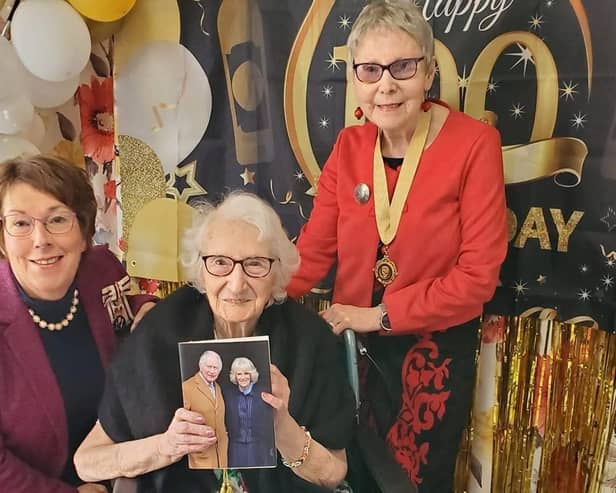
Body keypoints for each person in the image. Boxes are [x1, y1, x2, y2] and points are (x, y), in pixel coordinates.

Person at [286, 1, 508, 491]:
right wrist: (245, 287)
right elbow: (310, 255)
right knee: (349, 476)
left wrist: (378, 315)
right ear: (355, 79)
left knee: (409, 485)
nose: (385, 84)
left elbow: (477, 279)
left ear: (428, 71)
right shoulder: (348, 146)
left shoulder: (474, 145)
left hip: (431, 354)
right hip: (350, 350)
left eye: (402, 66)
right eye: (369, 69)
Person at [74, 192, 355, 493]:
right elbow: (87, 461)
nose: (236, 284)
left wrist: (283, 429)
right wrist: (167, 446)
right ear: (200, 270)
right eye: (220, 262)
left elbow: (334, 472)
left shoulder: (311, 342)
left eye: (256, 264)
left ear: (276, 273)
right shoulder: (158, 335)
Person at [0, 155, 156, 493]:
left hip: (126, 471)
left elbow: (127, 308)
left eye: (57, 220)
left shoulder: (101, 269)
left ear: (84, 231)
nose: (40, 240)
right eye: (21, 223)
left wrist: (148, 310)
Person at [224, 357, 275, 468]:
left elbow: (271, 422)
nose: (243, 377)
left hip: (259, 446)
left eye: (246, 373)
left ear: (252, 375)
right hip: (235, 447)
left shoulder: (264, 393)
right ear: (235, 376)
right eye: (239, 374)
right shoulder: (227, 395)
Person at [182, 350, 228, 468]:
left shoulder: (217, 387)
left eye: (216, 368)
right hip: (200, 459)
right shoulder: (187, 387)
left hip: (221, 456)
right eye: (209, 367)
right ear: (201, 366)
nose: (212, 371)